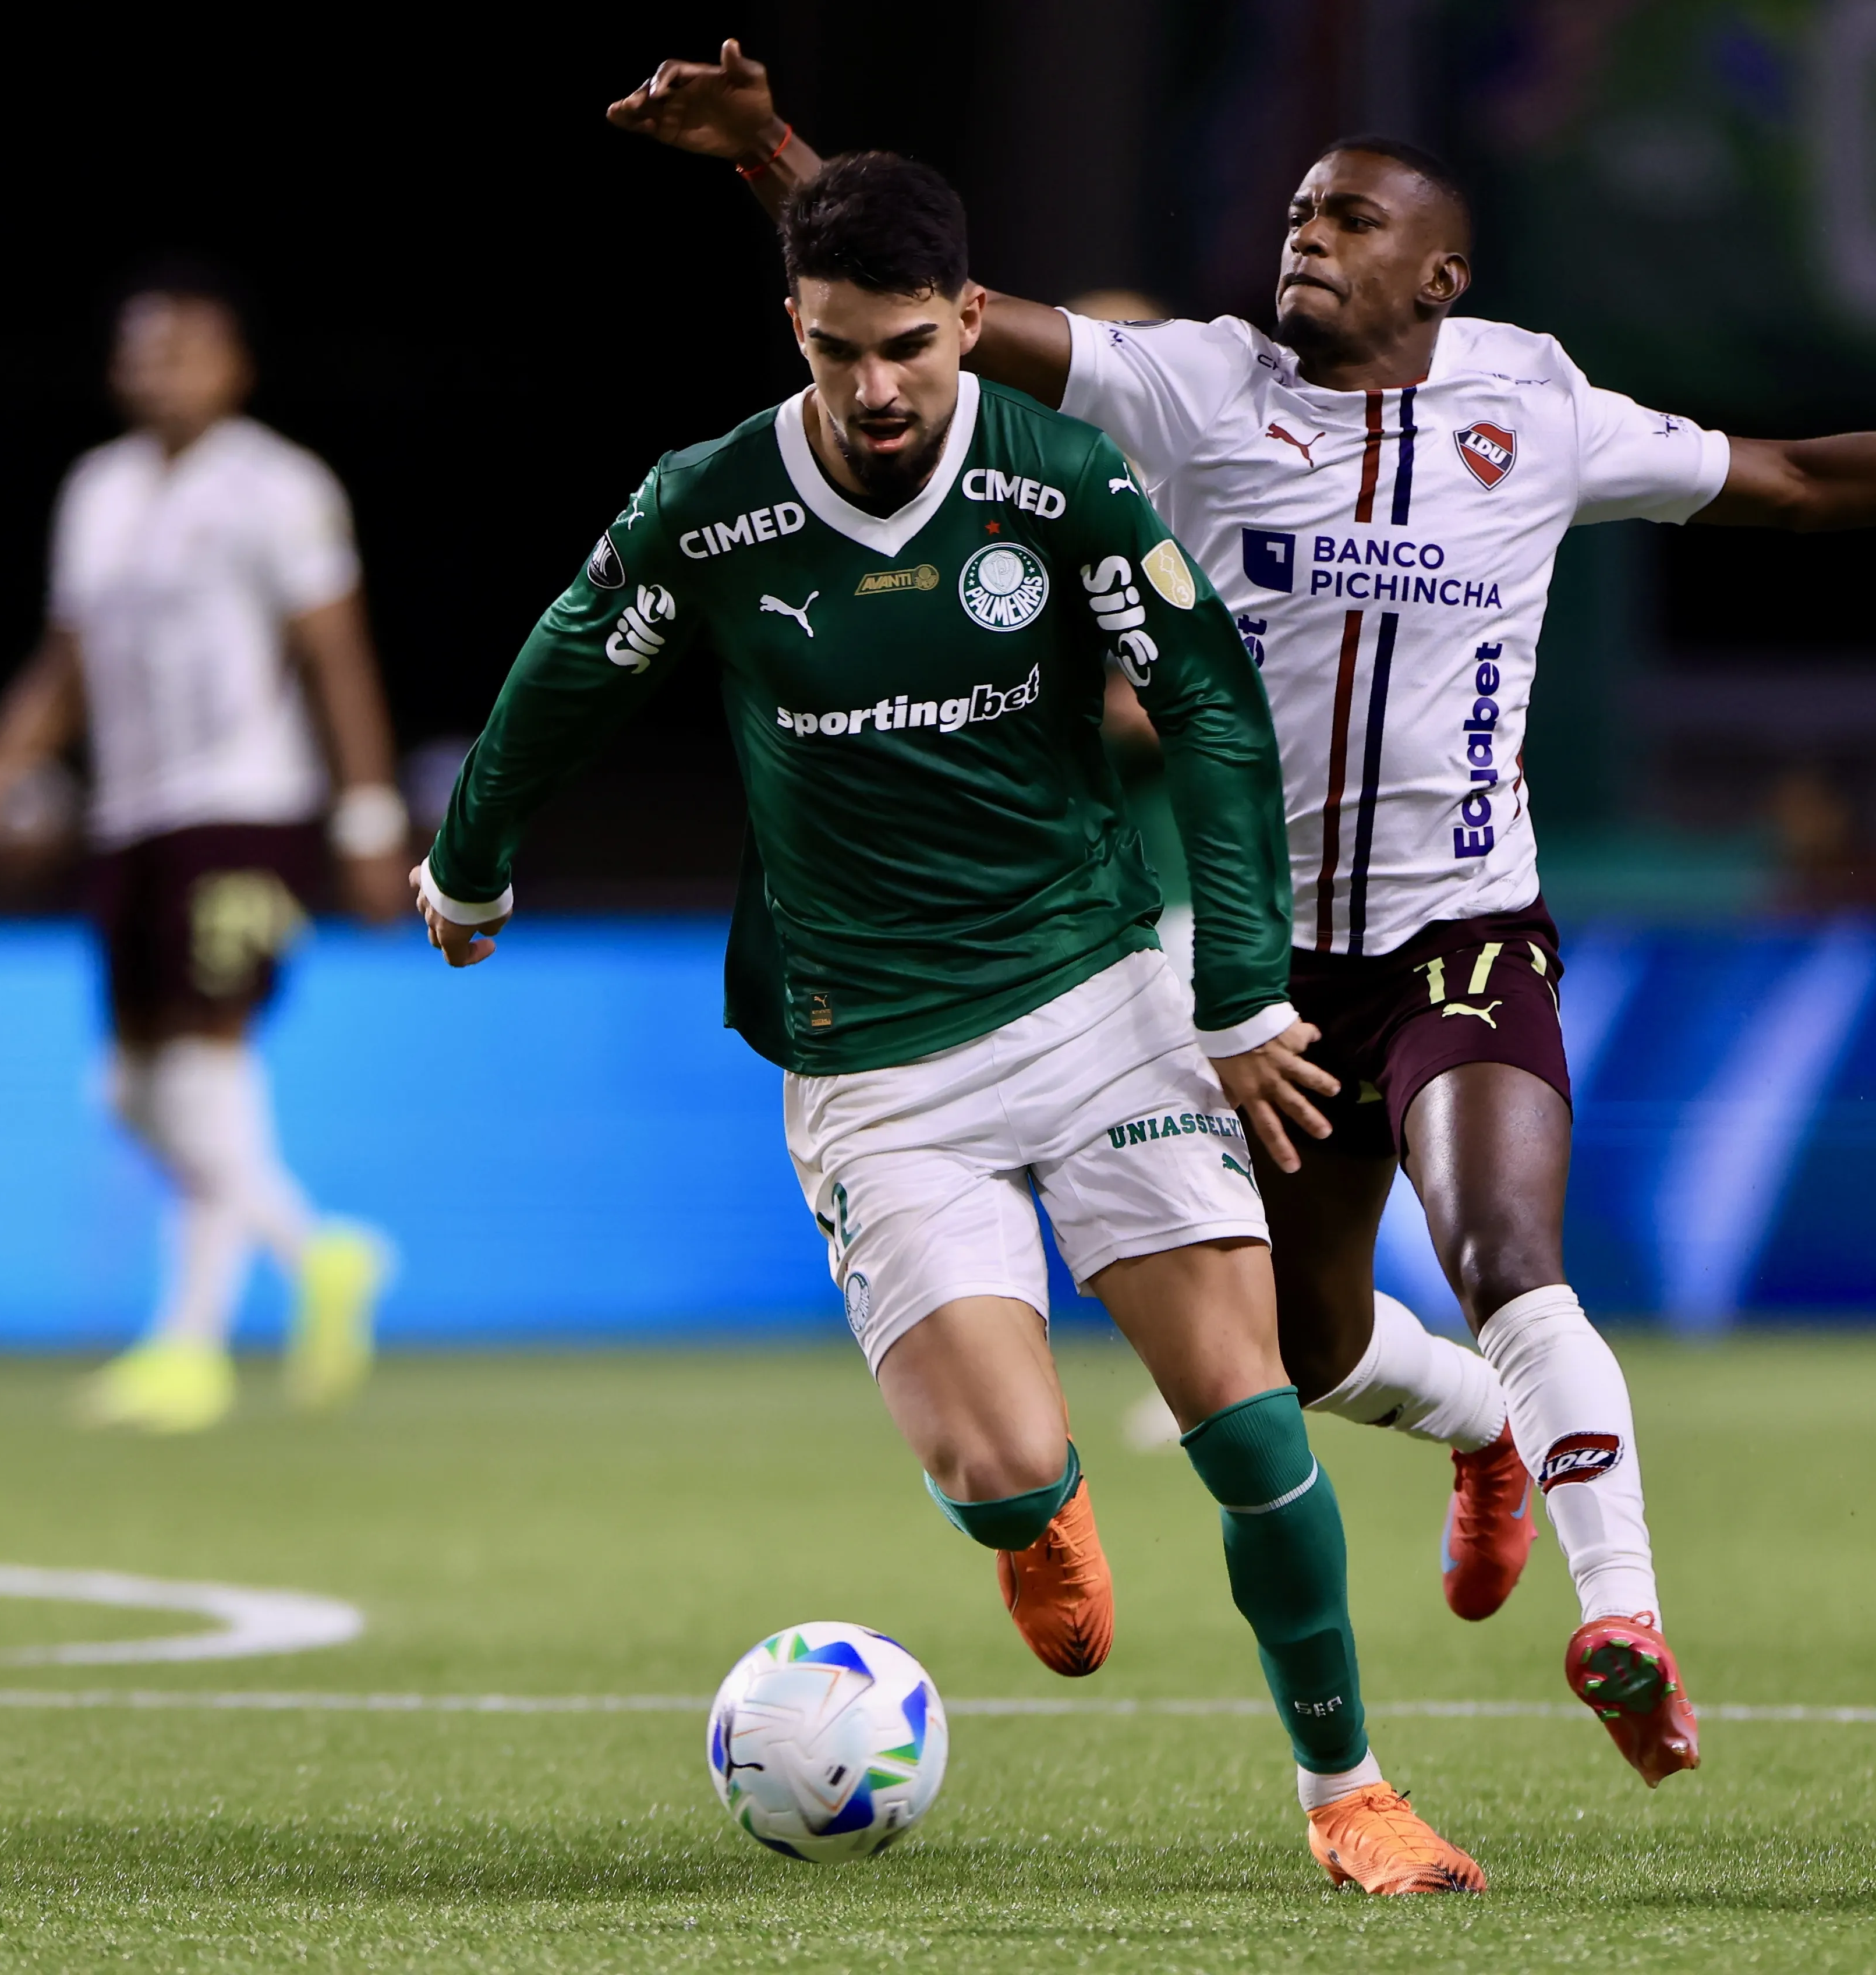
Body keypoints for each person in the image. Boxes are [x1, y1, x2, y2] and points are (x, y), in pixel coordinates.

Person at [610, 39, 1876, 1786]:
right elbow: (931, 307)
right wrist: (764, 151)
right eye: (1300, 210)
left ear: (1439, 275)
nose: (1306, 234)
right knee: (1298, 1352)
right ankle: (1471, 1429)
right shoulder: (1192, 388)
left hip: (1461, 929)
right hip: (1265, 979)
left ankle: (1617, 1612)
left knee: (1503, 1253)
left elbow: (1784, 482)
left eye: (1352, 219)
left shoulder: (1533, 407)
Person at [417, 153, 1482, 1895]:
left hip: (1092, 1004)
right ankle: (1027, 1517)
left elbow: (1208, 702)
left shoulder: (1057, 482)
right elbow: (569, 659)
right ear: (796, 330)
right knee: (997, 1464)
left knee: (1244, 1410)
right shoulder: (707, 504)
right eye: (837, 352)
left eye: (909, 346)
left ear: (968, 322)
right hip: (873, 1062)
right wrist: (468, 871)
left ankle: (1347, 1794)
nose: (876, 388)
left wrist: (1231, 994)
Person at [0, 263, 405, 1434]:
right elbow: (65, 669)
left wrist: (371, 814)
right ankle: (318, 1250)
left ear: (233, 365)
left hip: (244, 806)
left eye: (182, 348)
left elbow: (335, 653)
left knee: (204, 1058)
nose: (159, 369)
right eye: (141, 350)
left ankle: (188, 1347)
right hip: (130, 816)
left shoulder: (279, 487)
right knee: (132, 1086)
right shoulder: (98, 492)